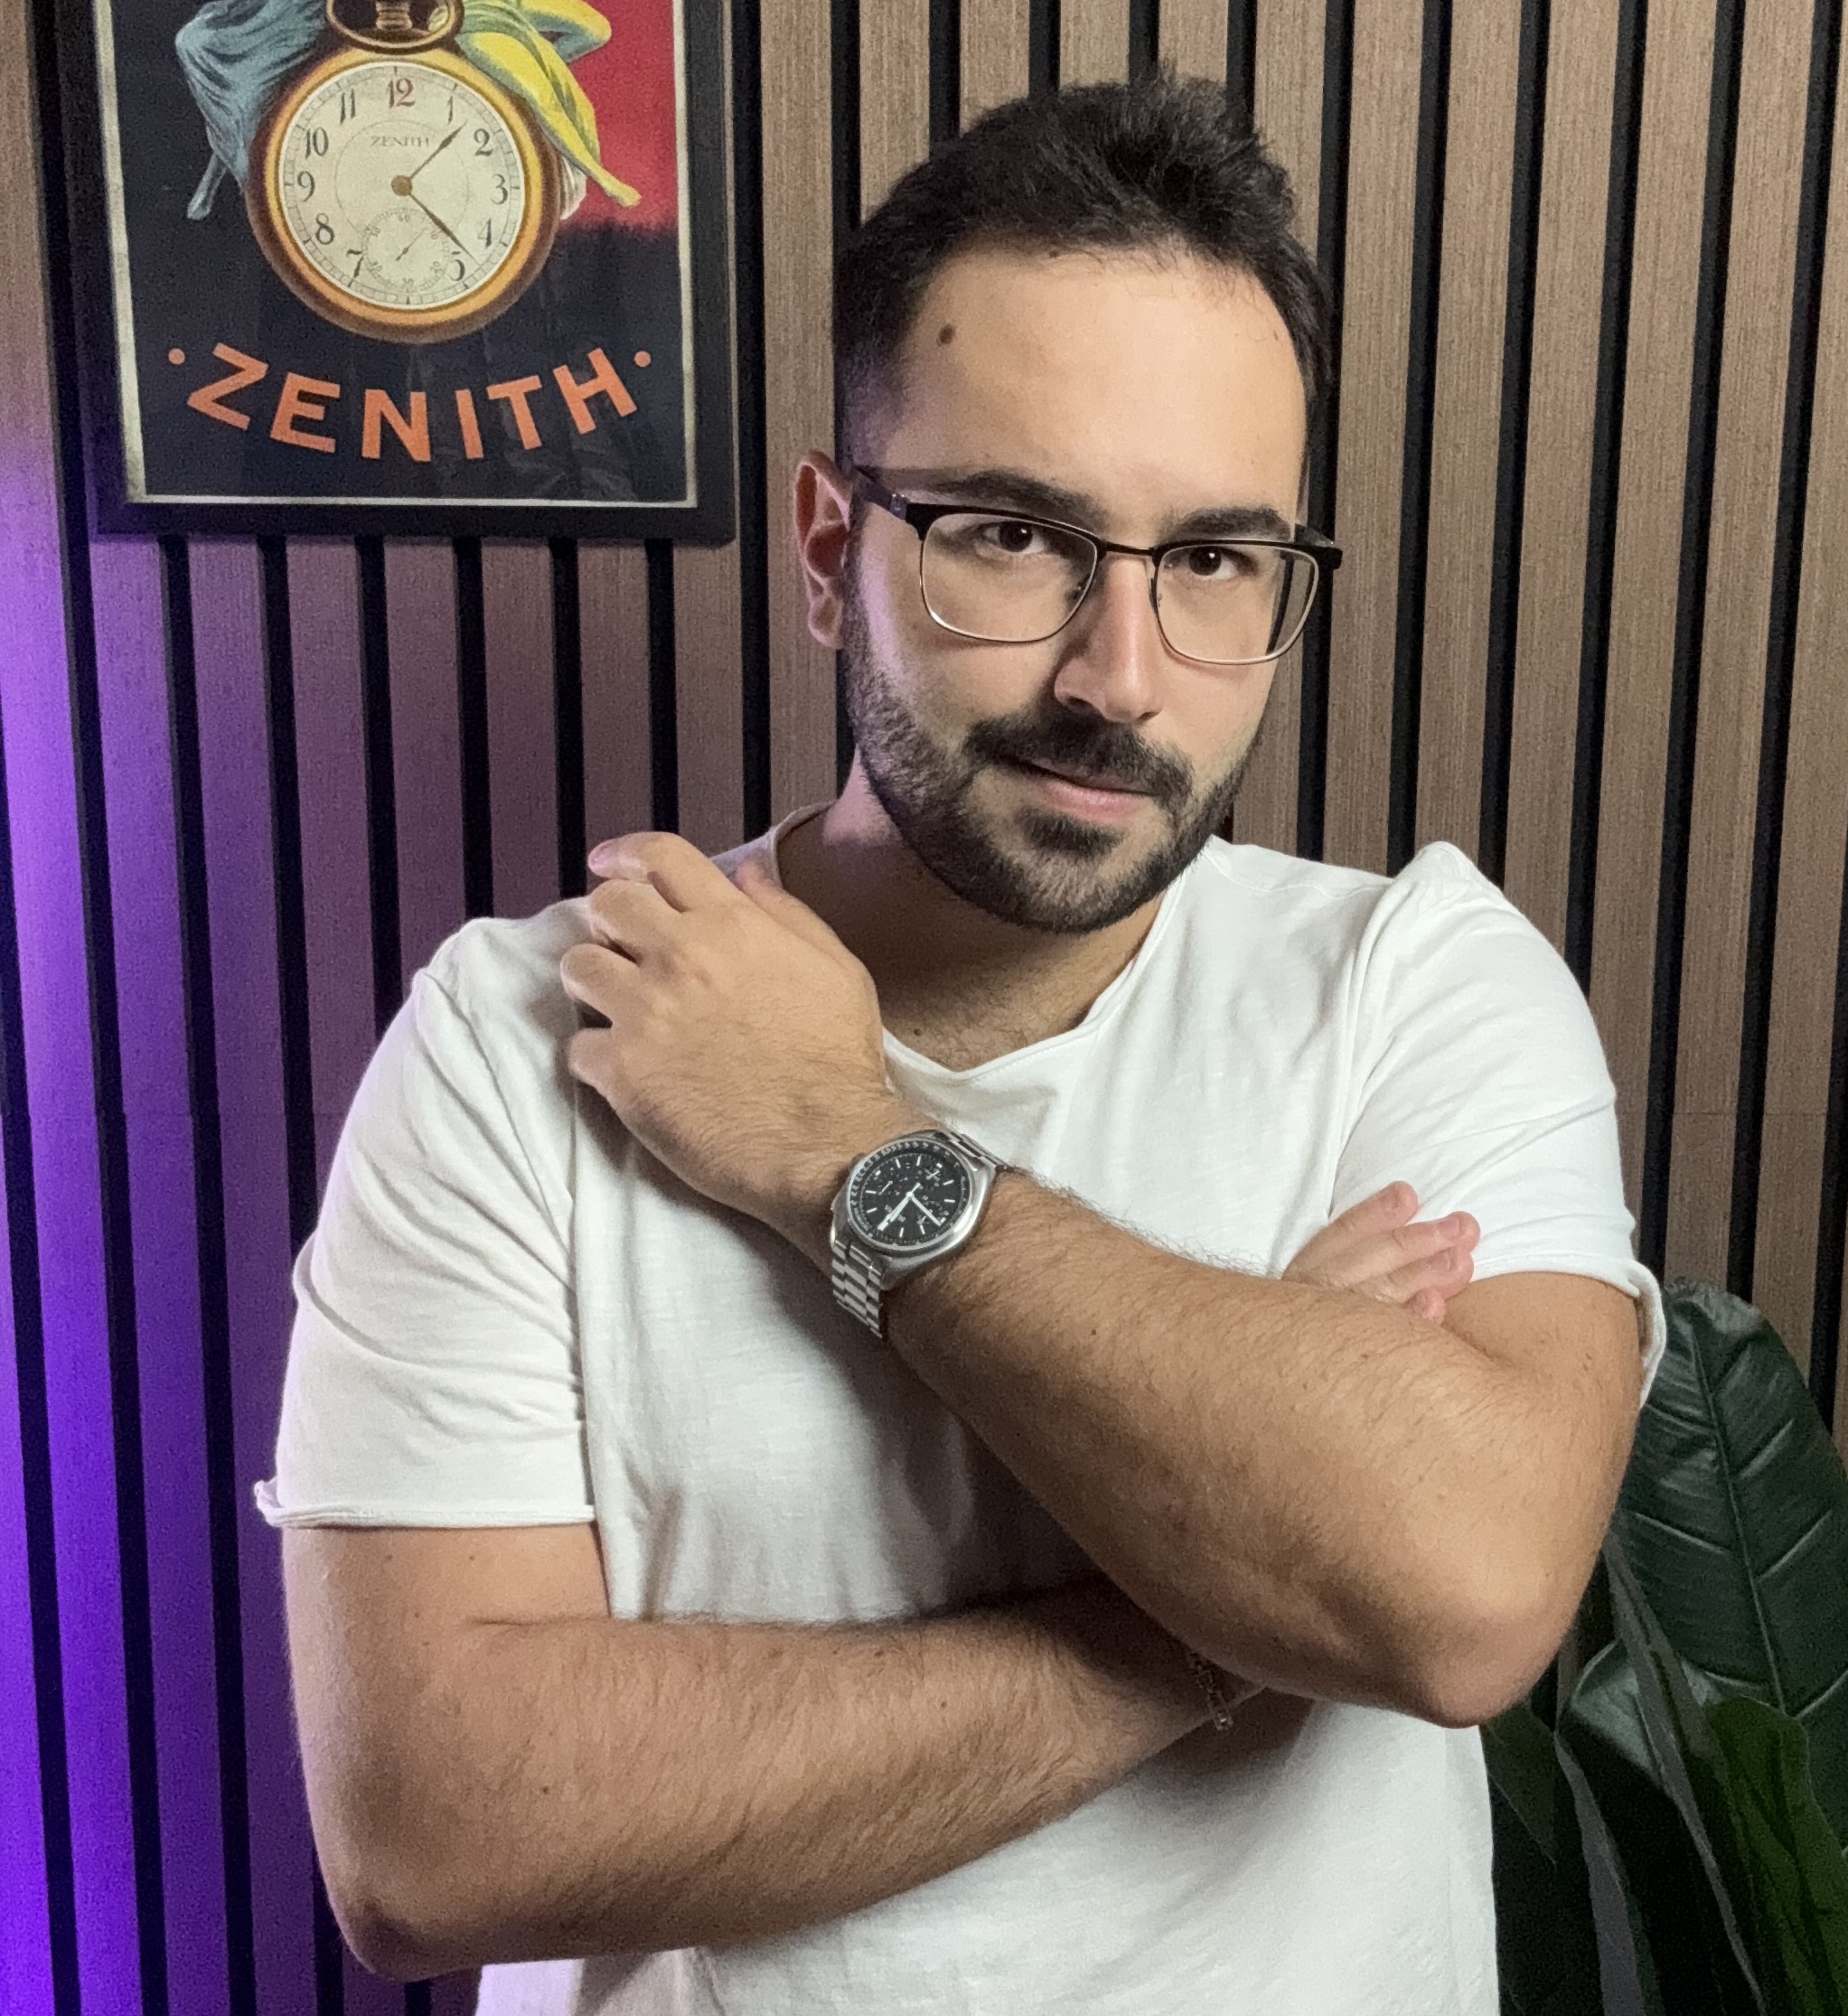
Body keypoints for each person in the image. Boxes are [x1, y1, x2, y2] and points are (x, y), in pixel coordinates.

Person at [263, 71, 1660, 2014]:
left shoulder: (1414, 986)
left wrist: (842, 1146)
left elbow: (1461, 1595)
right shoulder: (524, 1038)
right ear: (833, 549)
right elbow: (434, 1834)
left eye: (1215, 561)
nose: (1120, 674)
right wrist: (1218, 1604)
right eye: (1012, 536)